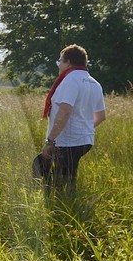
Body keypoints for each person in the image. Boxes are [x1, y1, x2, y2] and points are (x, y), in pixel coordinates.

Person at [41, 44, 106, 190]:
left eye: (60, 61)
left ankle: (64, 209)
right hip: (85, 141)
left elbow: (64, 112)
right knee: (67, 178)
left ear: (68, 62)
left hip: (67, 142)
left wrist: (50, 141)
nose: (59, 65)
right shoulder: (95, 83)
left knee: (60, 186)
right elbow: (101, 116)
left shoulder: (70, 81)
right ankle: (70, 206)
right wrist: (84, 128)